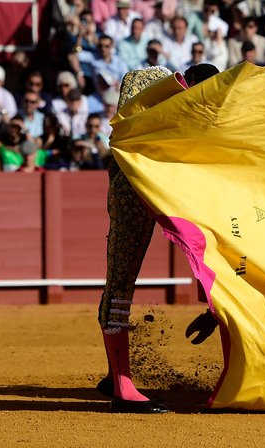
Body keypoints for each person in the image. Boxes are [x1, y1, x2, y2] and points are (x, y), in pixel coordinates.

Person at [96, 63, 220, 414]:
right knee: (120, 280)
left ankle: (114, 374)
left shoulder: (204, 113)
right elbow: (129, 113)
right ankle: (122, 388)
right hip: (132, 186)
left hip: (172, 187)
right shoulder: (149, 79)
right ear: (189, 82)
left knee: (214, 253)